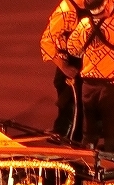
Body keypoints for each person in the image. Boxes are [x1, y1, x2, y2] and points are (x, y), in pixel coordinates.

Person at [66, 0, 114, 158]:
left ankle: (86, 163)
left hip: (89, 87)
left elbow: (72, 48)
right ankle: (111, 166)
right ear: (107, 6)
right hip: (112, 88)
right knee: (113, 135)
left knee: (89, 133)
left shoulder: (84, 25)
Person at [40, 0, 91, 141]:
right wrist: (64, 67)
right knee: (71, 110)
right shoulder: (65, 12)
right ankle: (66, 140)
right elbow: (46, 41)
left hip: (87, 68)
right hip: (70, 68)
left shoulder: (93, 7)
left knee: (84, 111)